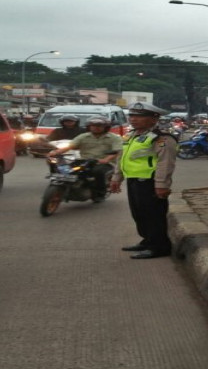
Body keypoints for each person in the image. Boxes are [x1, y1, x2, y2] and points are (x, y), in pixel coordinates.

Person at [110, 102, 178, 259]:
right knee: (139, 213)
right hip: (134, 180)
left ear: (154, 119)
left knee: (153, 215)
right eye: (132, 116)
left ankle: (159, 246)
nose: (134, 119)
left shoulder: (162, 138)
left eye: (140, 116)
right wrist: (116, 177)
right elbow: (122, 157)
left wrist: (161, 185)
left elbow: (165, 163)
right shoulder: (132, 136)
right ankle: (147, 240)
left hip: (151, 182)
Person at [48, 117, 122, 199]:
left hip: (105, 163)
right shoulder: (83, 136)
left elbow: (117, 151)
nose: (95, 128)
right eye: (93, 126)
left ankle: (100, 191)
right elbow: (70, 146)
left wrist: (106, 159)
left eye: (99, 126)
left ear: (106, 127)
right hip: (85, 160)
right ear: (89, 127)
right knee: (65, 170)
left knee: (98, 172)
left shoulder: (114, 138)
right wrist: (55, 152)